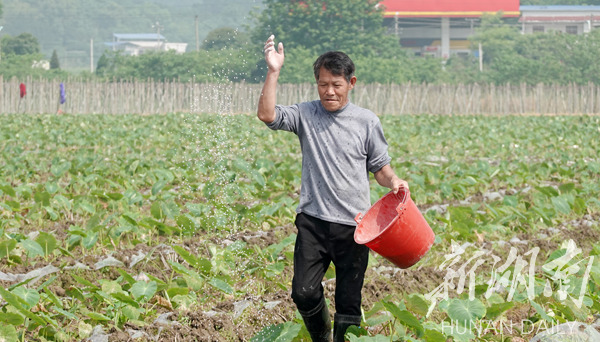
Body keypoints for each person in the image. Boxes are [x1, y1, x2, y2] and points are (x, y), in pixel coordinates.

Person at [257, 35, 408, 342]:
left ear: (351, 83)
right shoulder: (306, 114)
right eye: (323, 84)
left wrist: (394, 181)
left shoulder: (366, 121)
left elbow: (380, 168)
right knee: (303, 292)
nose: (329, 91)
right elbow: (267, 115)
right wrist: (273, 71)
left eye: (336, 85)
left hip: (355, 226)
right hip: (313, 221)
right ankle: (321, 337)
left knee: (349, 304)